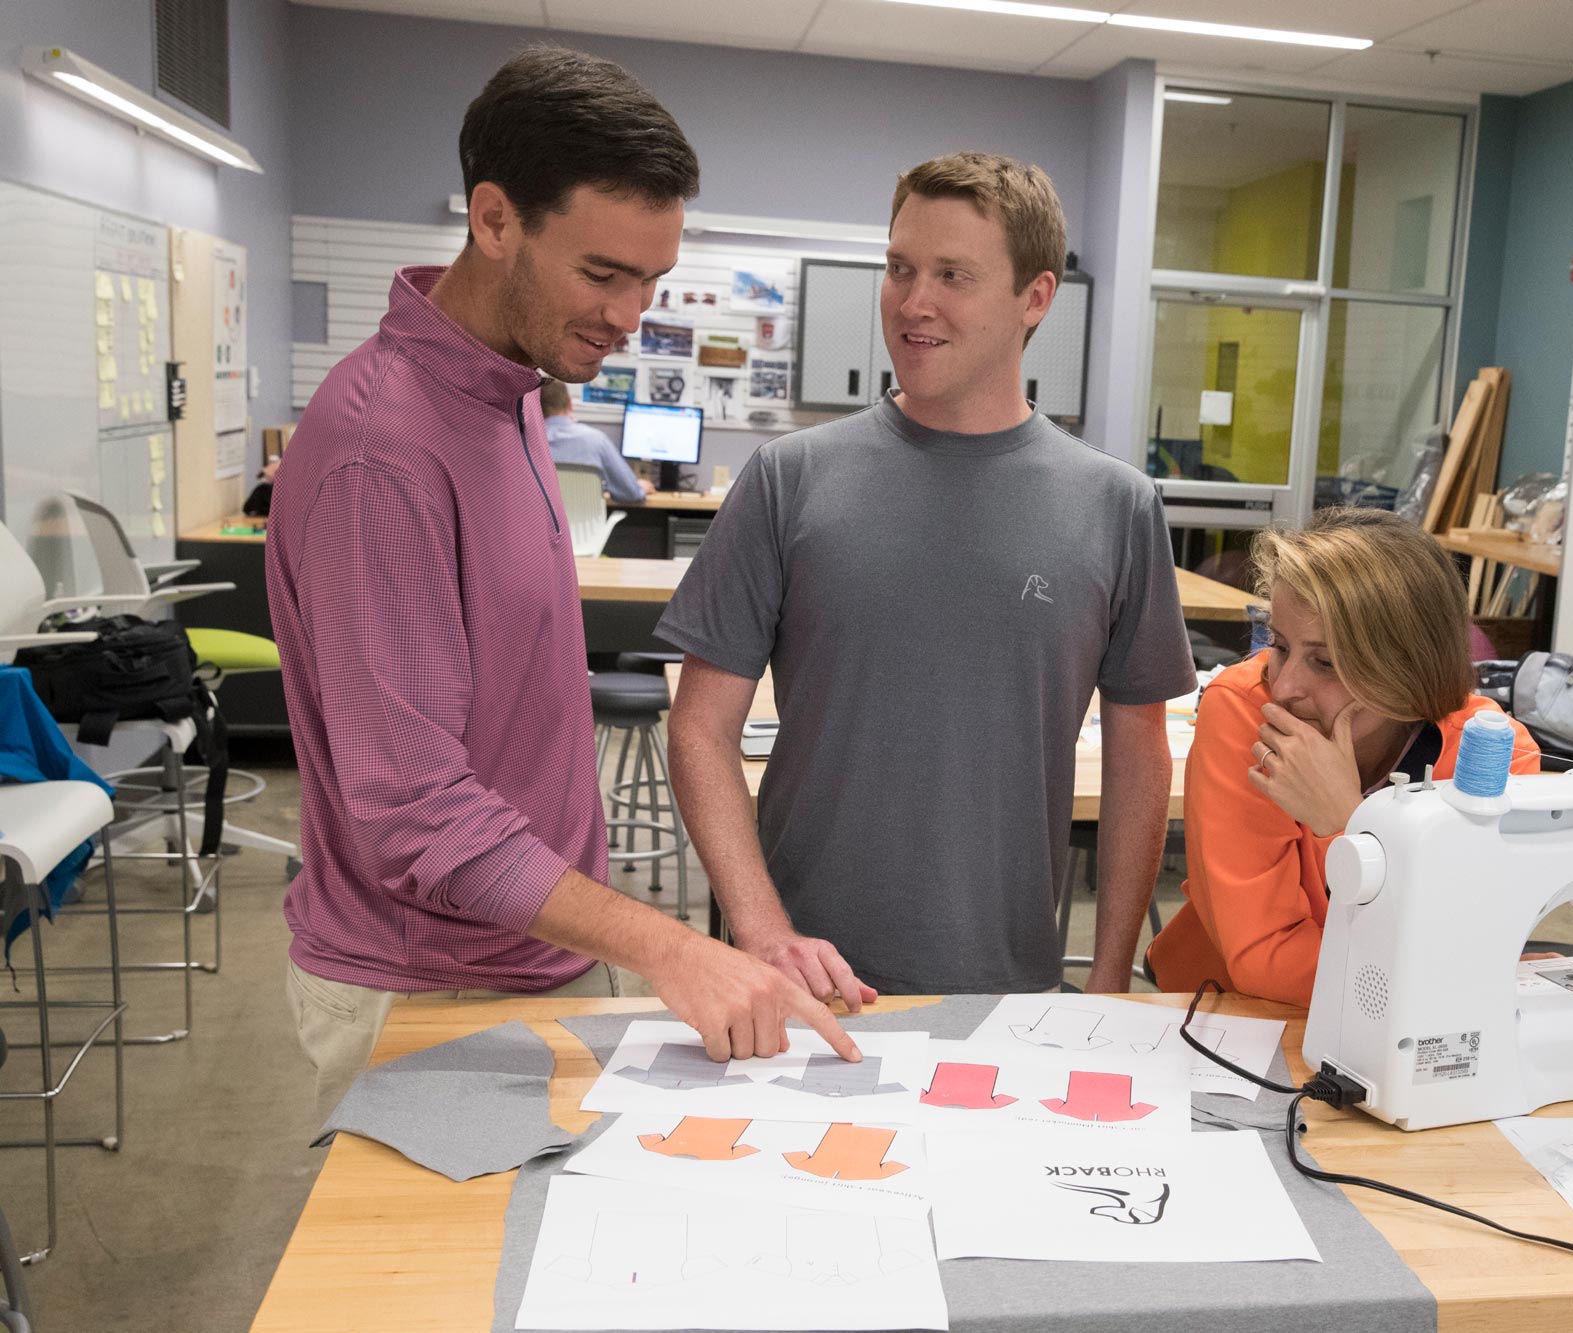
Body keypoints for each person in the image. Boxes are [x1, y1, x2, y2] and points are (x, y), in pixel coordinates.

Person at [268, 45, 855, 1120]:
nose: (629, 314)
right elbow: (416, 815)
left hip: (534, 955)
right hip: (423, 988)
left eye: (650, 281)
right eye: (601, 274)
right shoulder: (378, 448)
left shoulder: (516, 398)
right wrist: (674, 946)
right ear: (495, 220)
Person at [662, 152, 1195, 1003]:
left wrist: (1106, 978)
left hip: (1008, 984)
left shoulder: (1116, 506)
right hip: (803, 980)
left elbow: (1140, 757)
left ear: (1036, 298)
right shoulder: (786, 479)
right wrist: (764, 932)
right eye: (900, 268)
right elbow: (698, 729)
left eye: (953, 275)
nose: (914, 302)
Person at [1148, 508, 1542, 1007]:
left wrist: (1347, 821)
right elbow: (1265, 958)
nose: (1285, 687)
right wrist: (1351, 827)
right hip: (1231, 1011)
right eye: (1280, 646)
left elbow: (1476, 932)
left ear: (1409, 668)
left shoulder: (1493, 757)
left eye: (1325, 662)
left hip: (1398, 1027)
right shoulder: (1245, 715)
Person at [540, 377, 654, 503]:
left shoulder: (525, 442)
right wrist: (640, 488)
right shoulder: (596, 441)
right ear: (570, 403)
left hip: (539, 522)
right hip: (589, 522)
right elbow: (631, 494)